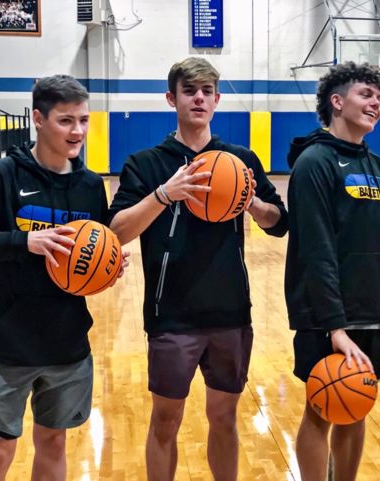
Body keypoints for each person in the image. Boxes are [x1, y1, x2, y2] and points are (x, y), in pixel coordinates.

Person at [108, 56, 288, 481]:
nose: (199, 99)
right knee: (165, 420)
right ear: (171, 99)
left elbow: (280, 222)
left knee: (224, 417)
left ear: (217, 99)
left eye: (207, 91)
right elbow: (115, 232)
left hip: (230, 311)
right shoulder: (146, 164)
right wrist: (164, 194)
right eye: (189, 91)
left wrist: (251, 202)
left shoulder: (239, 160)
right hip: (172, 314)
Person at [0, 74, 126, 481]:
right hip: (7, 343)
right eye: (66, 120)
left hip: (67, 341)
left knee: (54, 443)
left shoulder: (89, 185)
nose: (77, 131)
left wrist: (108, 267)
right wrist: (24, 242)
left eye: (83, 120)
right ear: (38, 119)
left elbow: (90, 253)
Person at [284, 61, 380, 481]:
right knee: (321, 408)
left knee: (355, 406)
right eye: (366, 95)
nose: (376, 104)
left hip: (370, 310)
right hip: (326, 316)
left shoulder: (376, 165)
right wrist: (334, 326)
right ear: (337, 102)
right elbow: (315, 249)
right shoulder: (313, 162)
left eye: (379, 98)